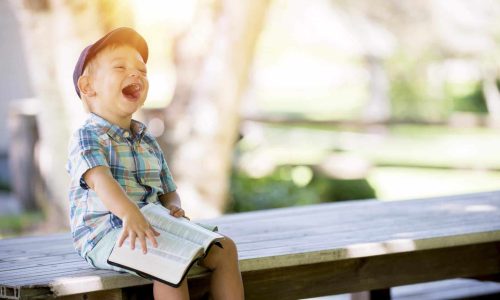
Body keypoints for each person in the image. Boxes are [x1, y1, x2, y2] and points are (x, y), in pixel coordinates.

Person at [66, 27, 244, 300]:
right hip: (107, 234)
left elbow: (167, 188)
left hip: (152, 223)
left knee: (224, 249)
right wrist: (129, 213)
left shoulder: (145, 137)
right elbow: (101, 181)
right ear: (88, 86)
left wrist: (173, 205)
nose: (136, 73)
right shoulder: (88, 135)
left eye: (142, 70)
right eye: (120, 67)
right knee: (170, 262)